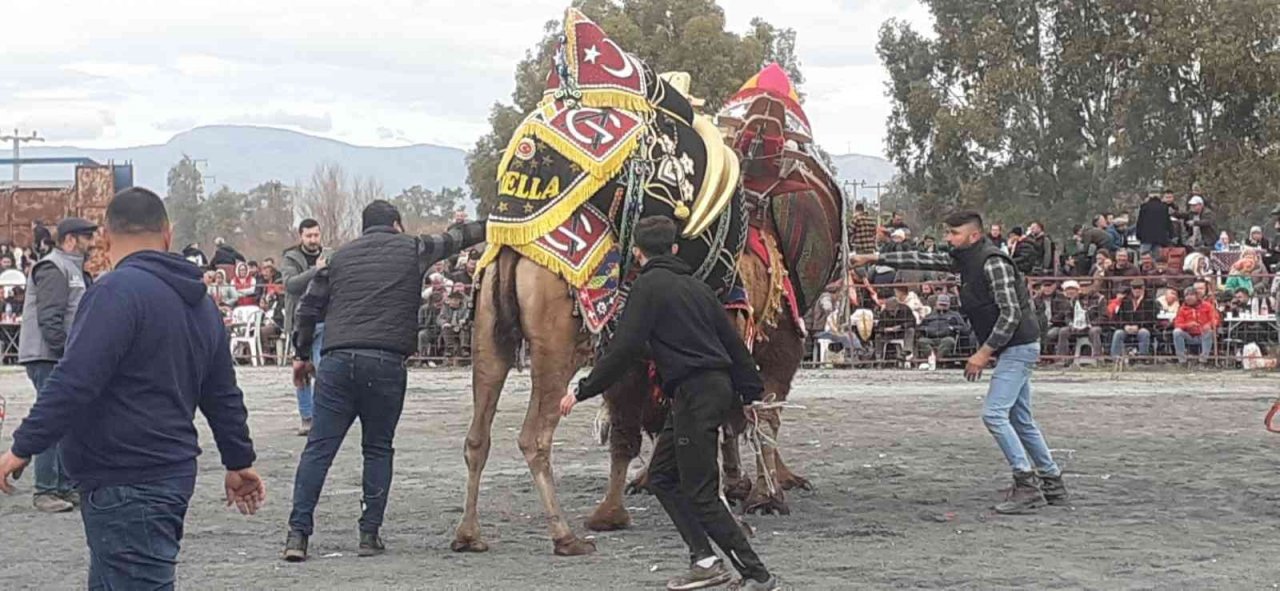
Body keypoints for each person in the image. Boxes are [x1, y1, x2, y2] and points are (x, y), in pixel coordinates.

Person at [0, 187, 264, 588]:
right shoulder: (200, 302)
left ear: (105, 236)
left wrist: (21, 449)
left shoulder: (114, 293)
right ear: (167, 234)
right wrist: (238, 460)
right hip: (167, 473)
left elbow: (73, 382)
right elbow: (222, 394)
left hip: (125, 479)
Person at [557, 216, 776, 591]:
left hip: (694, 395)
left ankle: (757, 574)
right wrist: (752, 392)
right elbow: (734, 343)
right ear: (674, 249)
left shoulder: (646, 288)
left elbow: (623, 349)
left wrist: (582, 389)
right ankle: (704, 560)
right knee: (661, 477)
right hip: (706, 392)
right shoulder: (700, 288)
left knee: (701, 492)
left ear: (638, 254)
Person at [283, 201, 484, 562]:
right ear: (396, 224)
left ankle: (297, 535)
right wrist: (502, 220)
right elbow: (457, 238)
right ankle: (368, 534)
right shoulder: (412, 247)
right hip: (386, 361)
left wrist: (300, 356)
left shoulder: (339, 257)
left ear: (363, 228)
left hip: (337, 360)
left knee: (319, 449)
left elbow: (308, 307)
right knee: (377, 448)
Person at [852, 210, 1067, 514]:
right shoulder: (965, 259)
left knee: (994, 415)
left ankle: (1026, 483)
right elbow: (921, 260)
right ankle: (1052, 481)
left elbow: (1011, 314)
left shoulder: (993, 263)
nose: (948, 239)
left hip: (1017, 345)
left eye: (954, 234)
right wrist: (871, 258)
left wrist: (983, 353)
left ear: (974, 236)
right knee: (1020, 419)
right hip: (1014, 346)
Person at [15, 217, 98, 513]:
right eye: (88, 237)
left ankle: (63, 486)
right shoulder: (53, 267)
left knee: (68, 420)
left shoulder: (74, 269)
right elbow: (51, 320)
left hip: (60, 355)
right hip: (48, 356)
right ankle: (46, 489)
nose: (93, 243)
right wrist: (68, 355)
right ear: (71, 239)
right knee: (52, 418)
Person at [282, 219, 326, 436]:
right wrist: (315, 271)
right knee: (301, 371)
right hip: (300, 323)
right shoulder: (290, 258)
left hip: (324, 321)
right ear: (301, 236)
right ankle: (306, 417)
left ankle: (322, 416)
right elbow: (291, 284)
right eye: (309, 236)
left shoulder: (329, 255)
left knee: (323, 367)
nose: (313, 240)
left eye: (316, 235)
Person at [1050, 280, 1104, 364]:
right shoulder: (1074, 300)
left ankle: (1098, 359)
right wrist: (1071, 324)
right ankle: (1062, 360)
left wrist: (1091, 324)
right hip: (1076, 326)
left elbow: (1103, 316)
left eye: (1087, 287)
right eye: (1082, 287)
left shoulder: (1099, 299)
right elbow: (1068, 315)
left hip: (1091, 326)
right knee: (1063, 331)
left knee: (1095, 331)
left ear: (1092, 287)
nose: (1084, 289)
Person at [1107, 280, 1157, 361]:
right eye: (1134, 288)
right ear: (1131, 289)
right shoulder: (1125, 301)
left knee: (1144, 332)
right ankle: (1115, 359)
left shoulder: (1150, 301)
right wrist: (1125, 326)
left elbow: (1151, 319)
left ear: (1143, 288)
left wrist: (1138, 327)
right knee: (1118, 333)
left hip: (1142, 328)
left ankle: (1142, 359)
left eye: (1139, 288)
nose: (1137, 290)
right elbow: (1118, 318)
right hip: (1127, 329)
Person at [1173, 288, 1220, 365]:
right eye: (1186, 295)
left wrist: (1209, 325)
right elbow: (1177, 324)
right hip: (1189, 335)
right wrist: (1187, 325)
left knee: (1209, 332)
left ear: (1197, 296)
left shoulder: (1207, 306)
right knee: (1176, 332)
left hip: (1203, 335)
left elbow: (1215, 319)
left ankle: (1203, 361)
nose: (1189, 297)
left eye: (1191, 295)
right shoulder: (1182, 309)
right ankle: (1182, 361)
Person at [916, 295, 967, 363]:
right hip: (930, 338)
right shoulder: (930, 315)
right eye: (941, 304)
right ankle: (932, 357)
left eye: (945, 305)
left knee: (949, 341)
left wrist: (953, 328)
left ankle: (937, 360)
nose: (943, 306)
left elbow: (964, 327)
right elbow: (920, 326)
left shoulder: (955, 315)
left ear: (949, 305)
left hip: (946, 337)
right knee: (922, 341)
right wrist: (926, 329)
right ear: (936, 304)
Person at [1136, 191, 1174, 260]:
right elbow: (1168, 223)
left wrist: (1138, 235)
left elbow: (1140, 223)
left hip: (1146, 237)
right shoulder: (1164, 207)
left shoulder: (1144, 207)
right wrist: (1171, 235)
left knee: (1144, 256)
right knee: (1157, 258)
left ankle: (1143, 269)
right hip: (1159, 238)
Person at [438, 291, 471, 366]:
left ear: (460, 301)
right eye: (452, 300)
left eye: (456, 300)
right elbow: (440, 318)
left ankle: (464, 348)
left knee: (464, 328)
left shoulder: (465, 307)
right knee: (446, 329)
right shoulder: (445, 307)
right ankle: (449, 349)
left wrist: (464, 320)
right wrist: (444, 323)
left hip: (460, 326)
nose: (453, 302)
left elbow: (467, 316)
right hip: (450, 326)